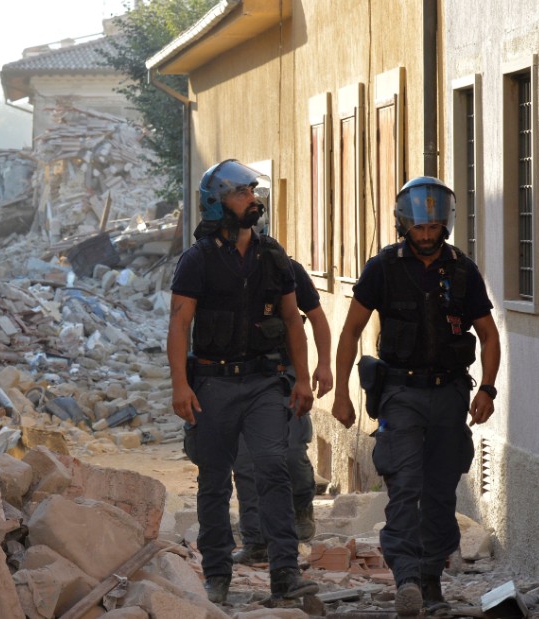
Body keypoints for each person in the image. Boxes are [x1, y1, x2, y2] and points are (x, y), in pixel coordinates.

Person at [330, 176, 500, 616]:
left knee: (440, 491)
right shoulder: (383, 268)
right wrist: (342, 394)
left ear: (445, 224)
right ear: (404, 224)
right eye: (419, 227)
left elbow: (488, 334)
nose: (426, 235)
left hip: (449, 395)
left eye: (434, 227)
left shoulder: (463, 271)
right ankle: (406, 577)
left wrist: (487, 388)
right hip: (400, 393)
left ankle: (430, 581)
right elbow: (350, 331)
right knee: (404, 486)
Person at [169, 159, 317, 603]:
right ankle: (217, 574)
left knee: (273, 467)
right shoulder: (197, 260)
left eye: (253, 191)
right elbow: (179, 324)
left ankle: (284, 573)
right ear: (217, 203)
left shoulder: (273, 256)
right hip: (212, 385)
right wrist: (180, 386)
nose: (253, 199)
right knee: (214, 480)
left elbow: (293, 321)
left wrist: (303, 379)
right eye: (241, 193)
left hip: (264, 383)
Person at [232, 256, 333, 565]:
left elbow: (316, 317)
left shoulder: (284, 269)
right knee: (245, 461)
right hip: (235, 377)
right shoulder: (211, 266)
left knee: (289, 451)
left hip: (282, 373)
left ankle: (301, 507)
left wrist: (323, 365)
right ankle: (255, 540)